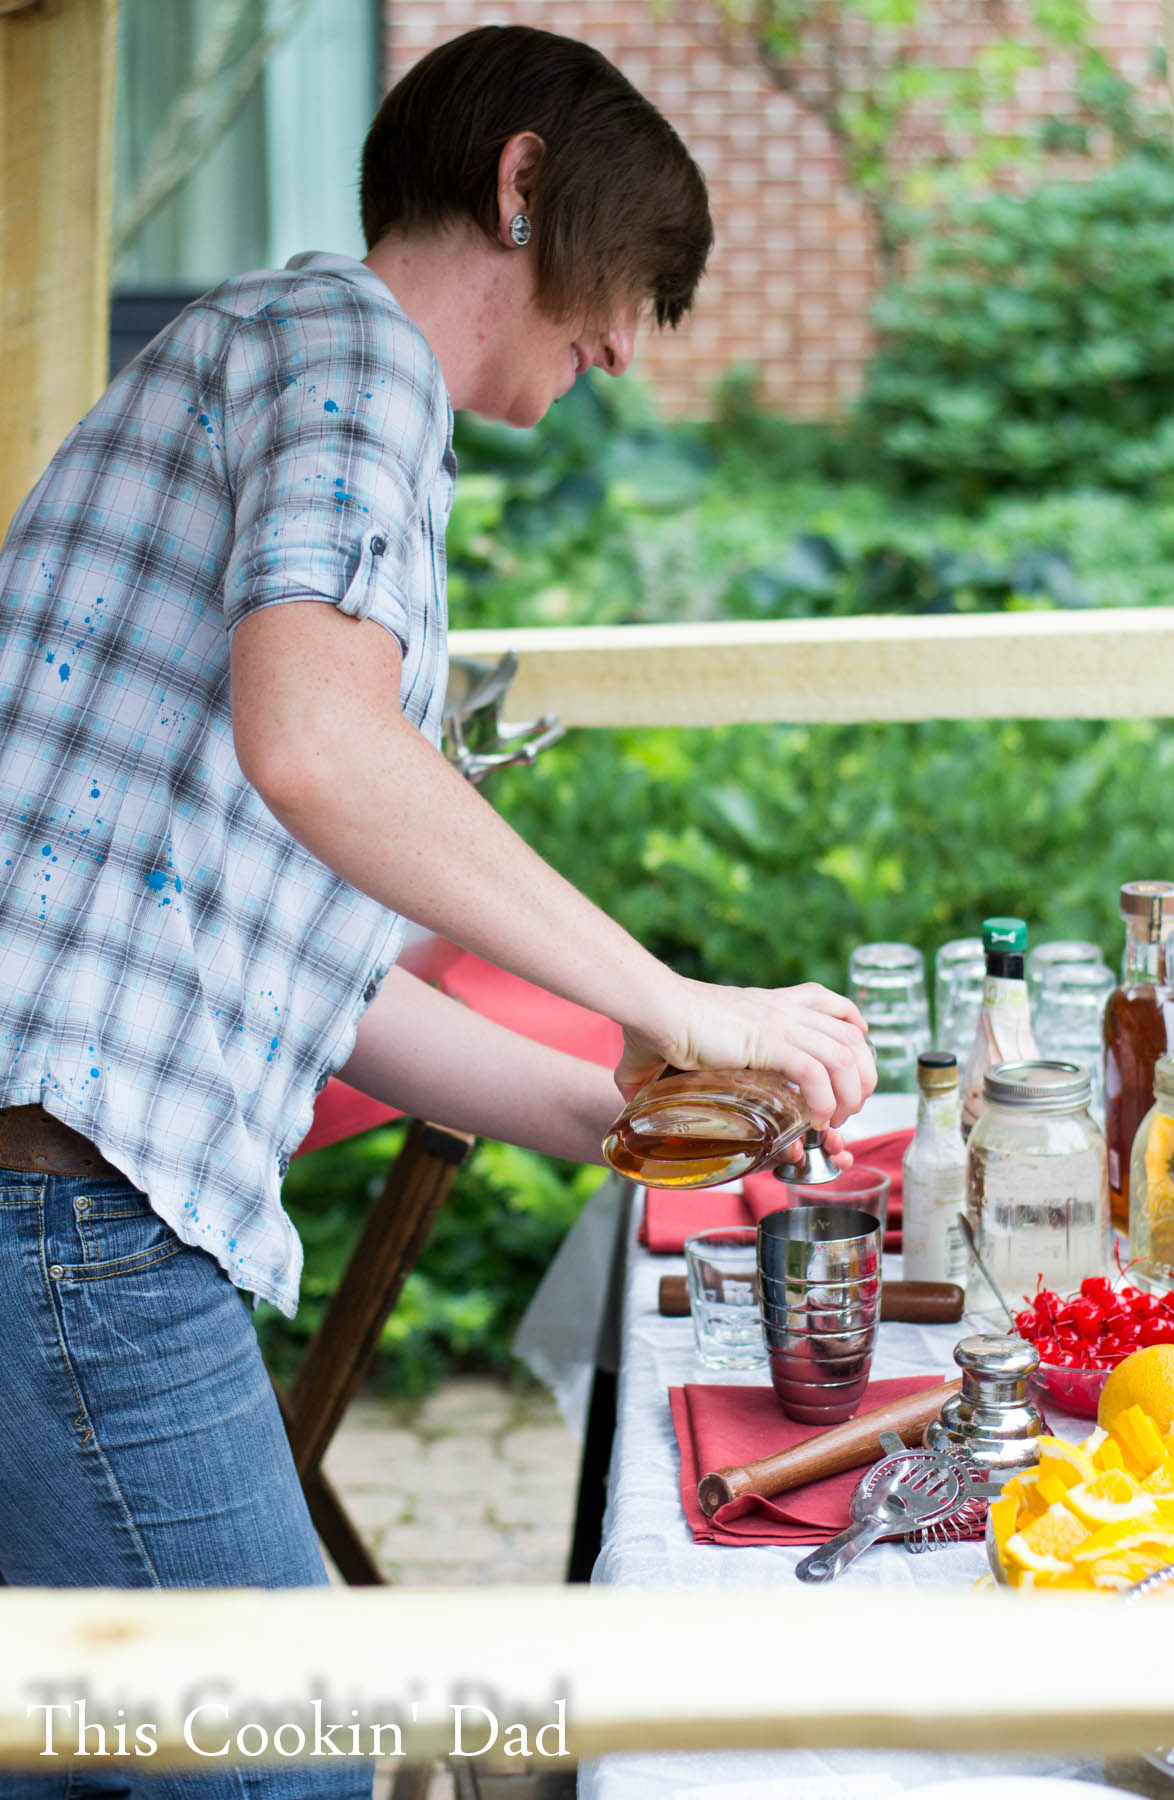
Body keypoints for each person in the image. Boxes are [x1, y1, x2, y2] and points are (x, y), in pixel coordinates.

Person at [0, 24, 874, 1796]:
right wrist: (679, 998)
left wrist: (630, 1115)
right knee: (298, 1760)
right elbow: (322, 747)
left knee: (79, 1750)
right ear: (522, 182)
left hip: (46, 1200)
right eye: (629, 286)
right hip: (69, 1220)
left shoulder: (269, 358)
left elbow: (306, 974)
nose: (626, 347)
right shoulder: (353, 349)